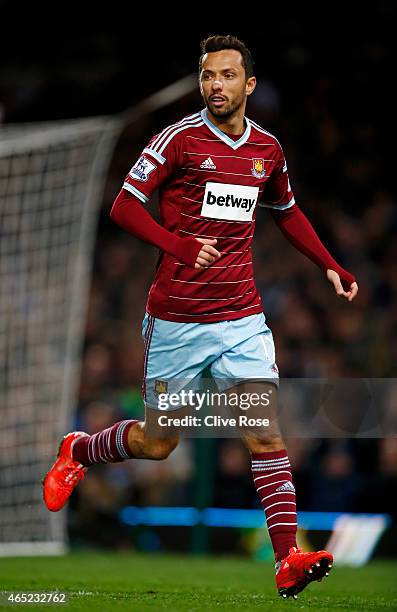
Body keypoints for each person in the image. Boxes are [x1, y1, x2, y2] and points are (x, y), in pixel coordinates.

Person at [43, 35, 358, 599]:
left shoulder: (268, 149)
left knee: (264, 433)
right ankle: (80, 450)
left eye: (227, 75)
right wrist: (181, 246)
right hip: (178, 320)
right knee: (158, 443)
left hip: (241, 317)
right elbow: (122, 205)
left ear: (249, 84)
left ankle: (287, 558)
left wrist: (331, 265)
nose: (215, 84)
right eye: (208, 74)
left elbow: (286, 213)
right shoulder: (179, 139)